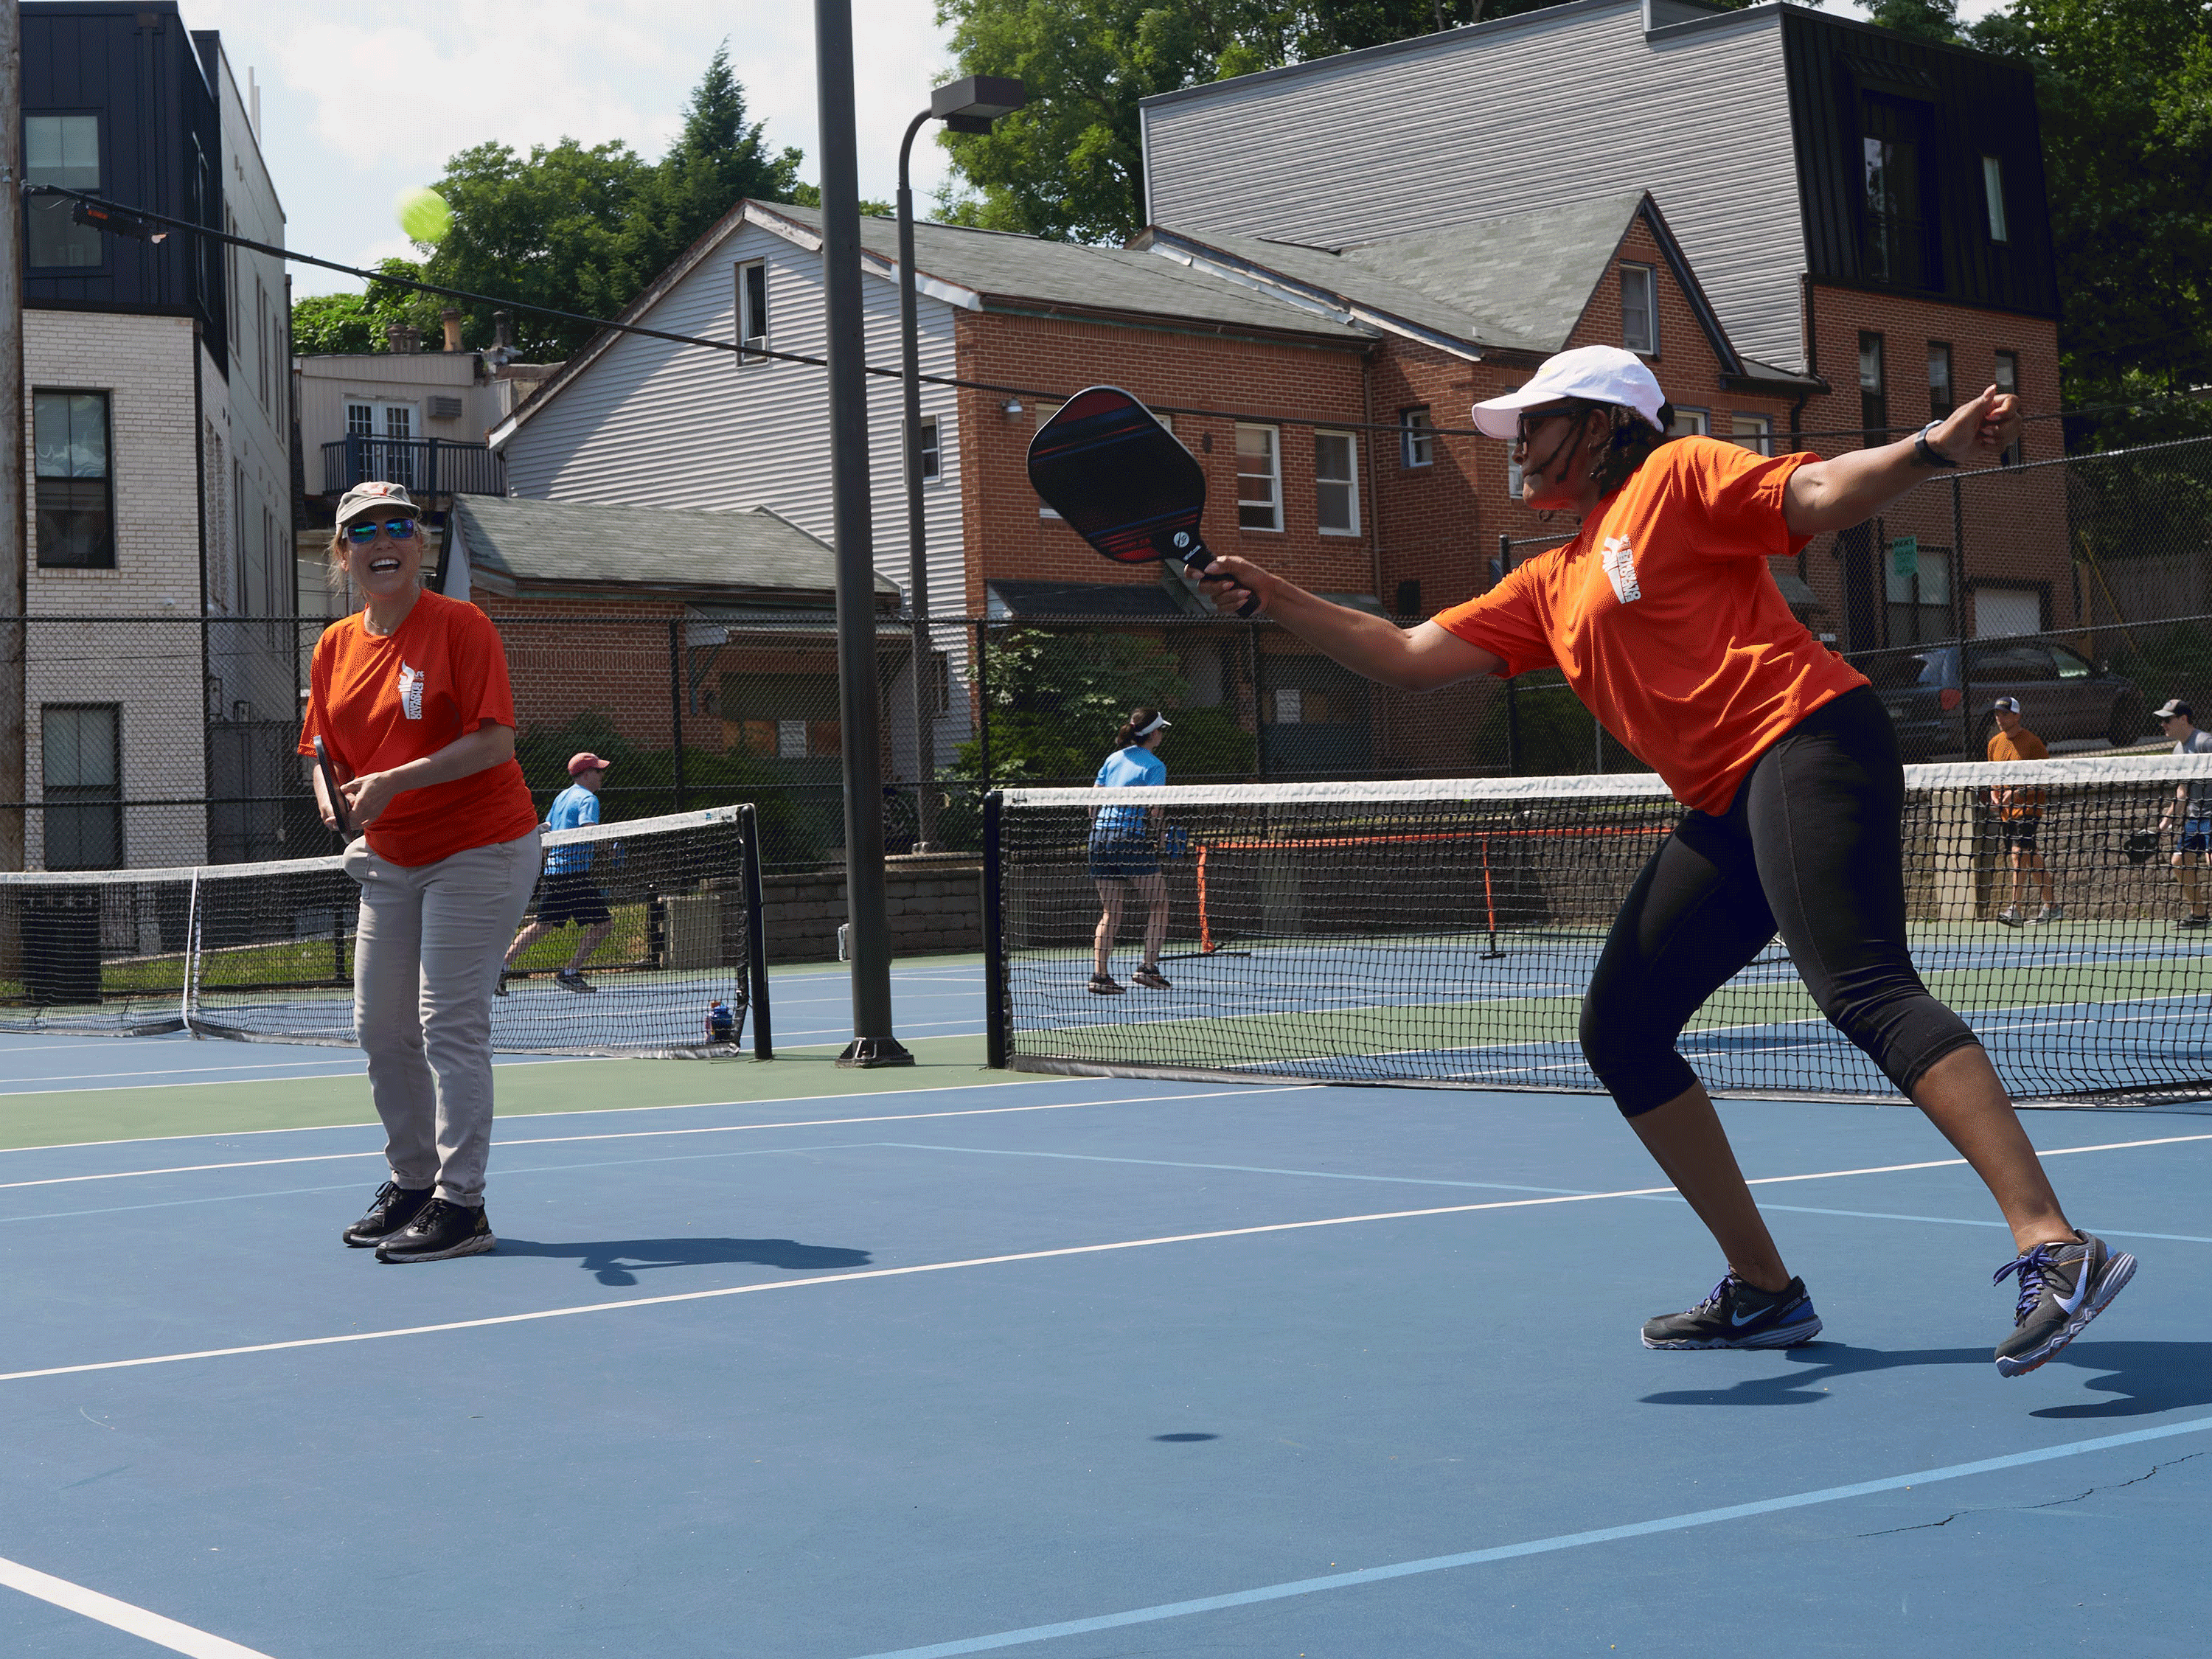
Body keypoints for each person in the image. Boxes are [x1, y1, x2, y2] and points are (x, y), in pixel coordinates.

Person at [1197, 344, 2132, 1377]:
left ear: (1601, 424)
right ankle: (1766, 1291)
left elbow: (1814, 493)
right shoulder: (1549, 581)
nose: (1514, 446)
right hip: (1725, 801)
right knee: (1623, 1030)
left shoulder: (1677, 474)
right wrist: (1278, 593)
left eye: (1536, 423)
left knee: (1863, 985)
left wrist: (1927, 447)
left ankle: (2055, 1241)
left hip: (1808, 738)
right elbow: (1410, 657)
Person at [299, 481, 542, 1265]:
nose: (382, 542)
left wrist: (395, 782)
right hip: (393, 857)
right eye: (362, 532)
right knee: (381, 1030)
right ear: (343, 556)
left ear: (420, 546)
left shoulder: (462, 627)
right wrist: (334, 800)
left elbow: (495, 742)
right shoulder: (334, 646)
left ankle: (463, 1204)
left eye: (397, 527)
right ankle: (412, 1182)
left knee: (448, 1023)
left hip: (480, 846)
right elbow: (320, 749)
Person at [502, 751, 617, 992]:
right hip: (574, 876)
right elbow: (590, 831)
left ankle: (500, 969)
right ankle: (570, 972)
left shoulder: (562, 797)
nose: (601, 775)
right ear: (586, 774)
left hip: (556, 873)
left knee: (543, 925)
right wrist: (611, 847)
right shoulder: (588, 799)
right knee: (604, 924)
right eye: (598, 771)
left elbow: (548, 830)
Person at [1088, 709, 1173, 995]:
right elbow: (1156, 809)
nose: (1162, 734)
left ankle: (1100, 976)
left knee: (1111, 911)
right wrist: (1161, 837)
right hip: (1129, 839)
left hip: (1099, 839)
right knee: (1159, 904)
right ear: (1152, 734)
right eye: (1161, 729)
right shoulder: (1155, 765)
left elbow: (1093, 804)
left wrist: (1104, 830)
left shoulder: (1112, 759)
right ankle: (1148, 969)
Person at [1984, 697, 2058, 926]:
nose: (2000, 718)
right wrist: (1996, 792)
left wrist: (2017, 793)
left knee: (2018, 854)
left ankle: (2014, 908)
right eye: (1997, 714)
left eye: (2005, 714)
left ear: (2017, 716)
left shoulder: (2033, 743)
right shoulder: (1994, 744)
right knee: (2030, 857)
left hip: (2029, 809)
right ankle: (2052, 906)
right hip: (2007, 813)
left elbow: (2044, 781)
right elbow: (1994, 777)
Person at [2153, 699, 2212, 928]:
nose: (2163, 725)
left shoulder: (2205, 743)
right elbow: (2182, 792)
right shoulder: (2178, 749)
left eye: (2167, 720)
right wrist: (2162, 826)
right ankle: (2198, 914)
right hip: (2195, 818)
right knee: (2178, 861)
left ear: (2183, 720)